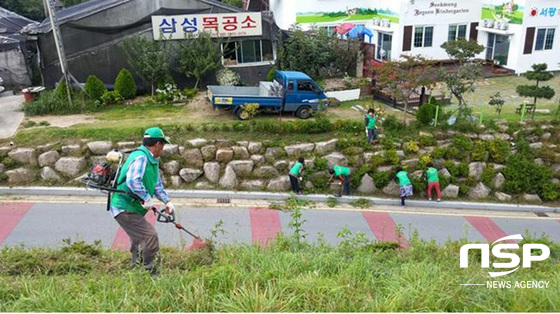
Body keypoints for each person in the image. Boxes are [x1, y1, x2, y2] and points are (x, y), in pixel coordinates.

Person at [110, 127, 175, 276]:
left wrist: (167, 202)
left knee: (138, 236)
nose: (163, 149)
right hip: (124, 206)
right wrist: (147, 198)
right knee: (149, 235)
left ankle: (136, 268)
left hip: (131, 206)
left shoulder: (152, 160)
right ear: (157, 144)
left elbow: (156, 184)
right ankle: (152, 273)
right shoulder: (141, 157)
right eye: (163, 145)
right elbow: (133, 181)